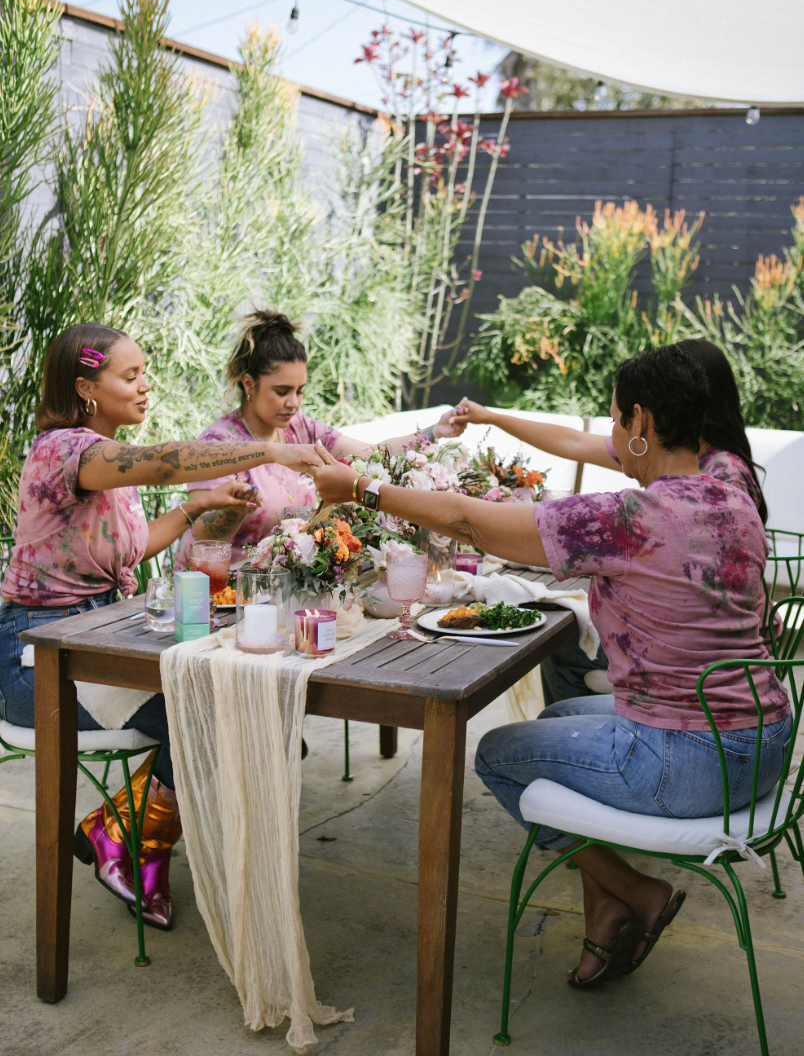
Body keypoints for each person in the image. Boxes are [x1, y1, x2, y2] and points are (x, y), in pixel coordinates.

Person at [310, 345, 791, 988]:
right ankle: (607, 906)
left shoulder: (628, 517)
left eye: (617, 418)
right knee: (560, 712)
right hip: (765, 739)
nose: (614, 433)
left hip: (689, 761)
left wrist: (364, 488)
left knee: (496, 754)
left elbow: (465, 520)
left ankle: (636, 893)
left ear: (643, 423)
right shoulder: (732, 489)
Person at [0, 323, 322, 929]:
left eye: (145, 372)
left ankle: (118, 829)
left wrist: (195, 508)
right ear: (85, 388)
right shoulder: (65, 450)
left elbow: (133, 546)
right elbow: (160, 462)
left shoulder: (105, 465)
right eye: (130, 376)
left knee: (249, 707)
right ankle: (128, 838)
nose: (146, 387)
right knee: (227, 713)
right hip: (38, 663)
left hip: (100, 642)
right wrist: (271, 450)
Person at [448, 337, 769, 704]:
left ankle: (582, 737)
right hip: (699, 652)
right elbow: (573, 442)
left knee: (568, 642)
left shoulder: (718, 473)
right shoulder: (670, 450)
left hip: (703, 662)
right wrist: (491, 417)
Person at [174, 309, 463, 569]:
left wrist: (433, 432)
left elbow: (369, 453)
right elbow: (202, 535)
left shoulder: (301, 429)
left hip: (282, 586)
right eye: (282, 391)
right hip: (220, 593)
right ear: (249, 384)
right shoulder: (217, 443)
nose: (293, 403)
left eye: (299, 391)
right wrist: (233, 511)